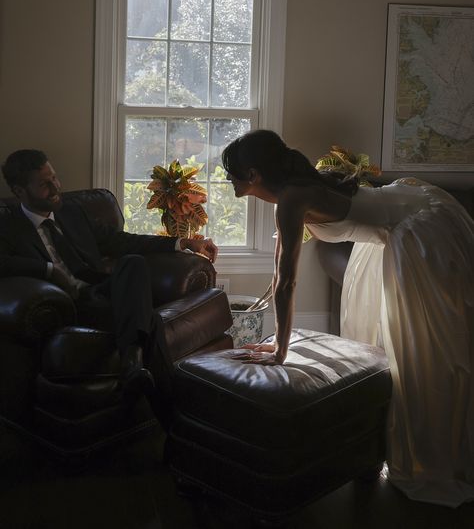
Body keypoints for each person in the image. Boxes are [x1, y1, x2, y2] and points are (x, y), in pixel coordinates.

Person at [222, 129, 474, 508]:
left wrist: (281, 349)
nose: (229, 180)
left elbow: (287, 281)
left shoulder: (291, 198)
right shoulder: (293, 193)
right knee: (397, 340)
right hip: (401, 218)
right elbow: (279, 275)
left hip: (420, 225)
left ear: (254, 175)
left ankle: (443, 452)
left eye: (232, 173)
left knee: (428, 346)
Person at [0, 149, 217, 402]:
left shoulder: (71, 211)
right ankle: (148, 382)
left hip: (99, 292)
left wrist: (181, 242)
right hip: (67, 304)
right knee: (151, 322)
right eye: (44, 184)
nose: (55, 186)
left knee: (132, 263)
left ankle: (133, 364)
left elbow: (119, 241)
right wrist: (48, 270)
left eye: (55, 178)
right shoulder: (9, 227)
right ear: (19, 192)